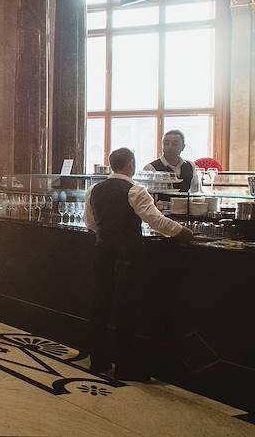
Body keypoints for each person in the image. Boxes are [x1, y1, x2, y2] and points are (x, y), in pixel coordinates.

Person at [84, 147, 193, 380]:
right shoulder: (135, 190)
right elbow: (155, 220)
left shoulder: (94, 189)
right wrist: (181, 232)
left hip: (102, 253)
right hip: (128, 256)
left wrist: (107, 233)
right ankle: (125, 366)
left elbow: (90, 223)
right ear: (131, 164)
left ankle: (98, 361)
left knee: (101, 306)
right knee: (126, 309)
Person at [144, 129, 201, 193]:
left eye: (175, 144)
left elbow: (195, 191)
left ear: (183, 147)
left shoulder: (190, 165)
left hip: (186, 202)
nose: (170, 147)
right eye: (166, 143)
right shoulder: (150, 168)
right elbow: (147, 195)